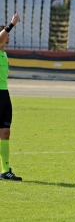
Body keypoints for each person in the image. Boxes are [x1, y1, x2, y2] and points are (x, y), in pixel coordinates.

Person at [0, 13, 22, 180]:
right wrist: (11, 24)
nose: (7, 38)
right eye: (5, 36)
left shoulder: (5, 55)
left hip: (5, 95)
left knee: (5, 132)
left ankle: (5, 170)